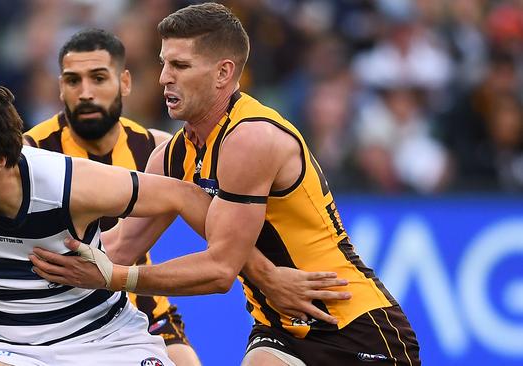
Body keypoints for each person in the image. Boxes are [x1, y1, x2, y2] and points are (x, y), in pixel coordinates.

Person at [29, 3, 421, 366]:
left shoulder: (250, 137)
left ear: (223, 73)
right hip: (278, 328)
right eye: (164, 63)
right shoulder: (170, 156)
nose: (165, 77)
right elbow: (116, 249)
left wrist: (117, 278)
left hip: (352, 324)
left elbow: (219, 269)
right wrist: (10, 281)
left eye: (181, 65)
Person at [0, 75, 217, 366]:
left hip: (109, 341)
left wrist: (240, 257)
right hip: (12, 350)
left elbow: (183, 195)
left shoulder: (71, 186)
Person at [22, 28, 201, 365]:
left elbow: (230, 225)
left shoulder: (158, 149)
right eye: (73, 81)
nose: (85, 92)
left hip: (144, 312)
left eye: (99, 78)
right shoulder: (30, 154)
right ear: (61, 88)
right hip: (57, 324)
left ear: (125, 83)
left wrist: (272, 274)